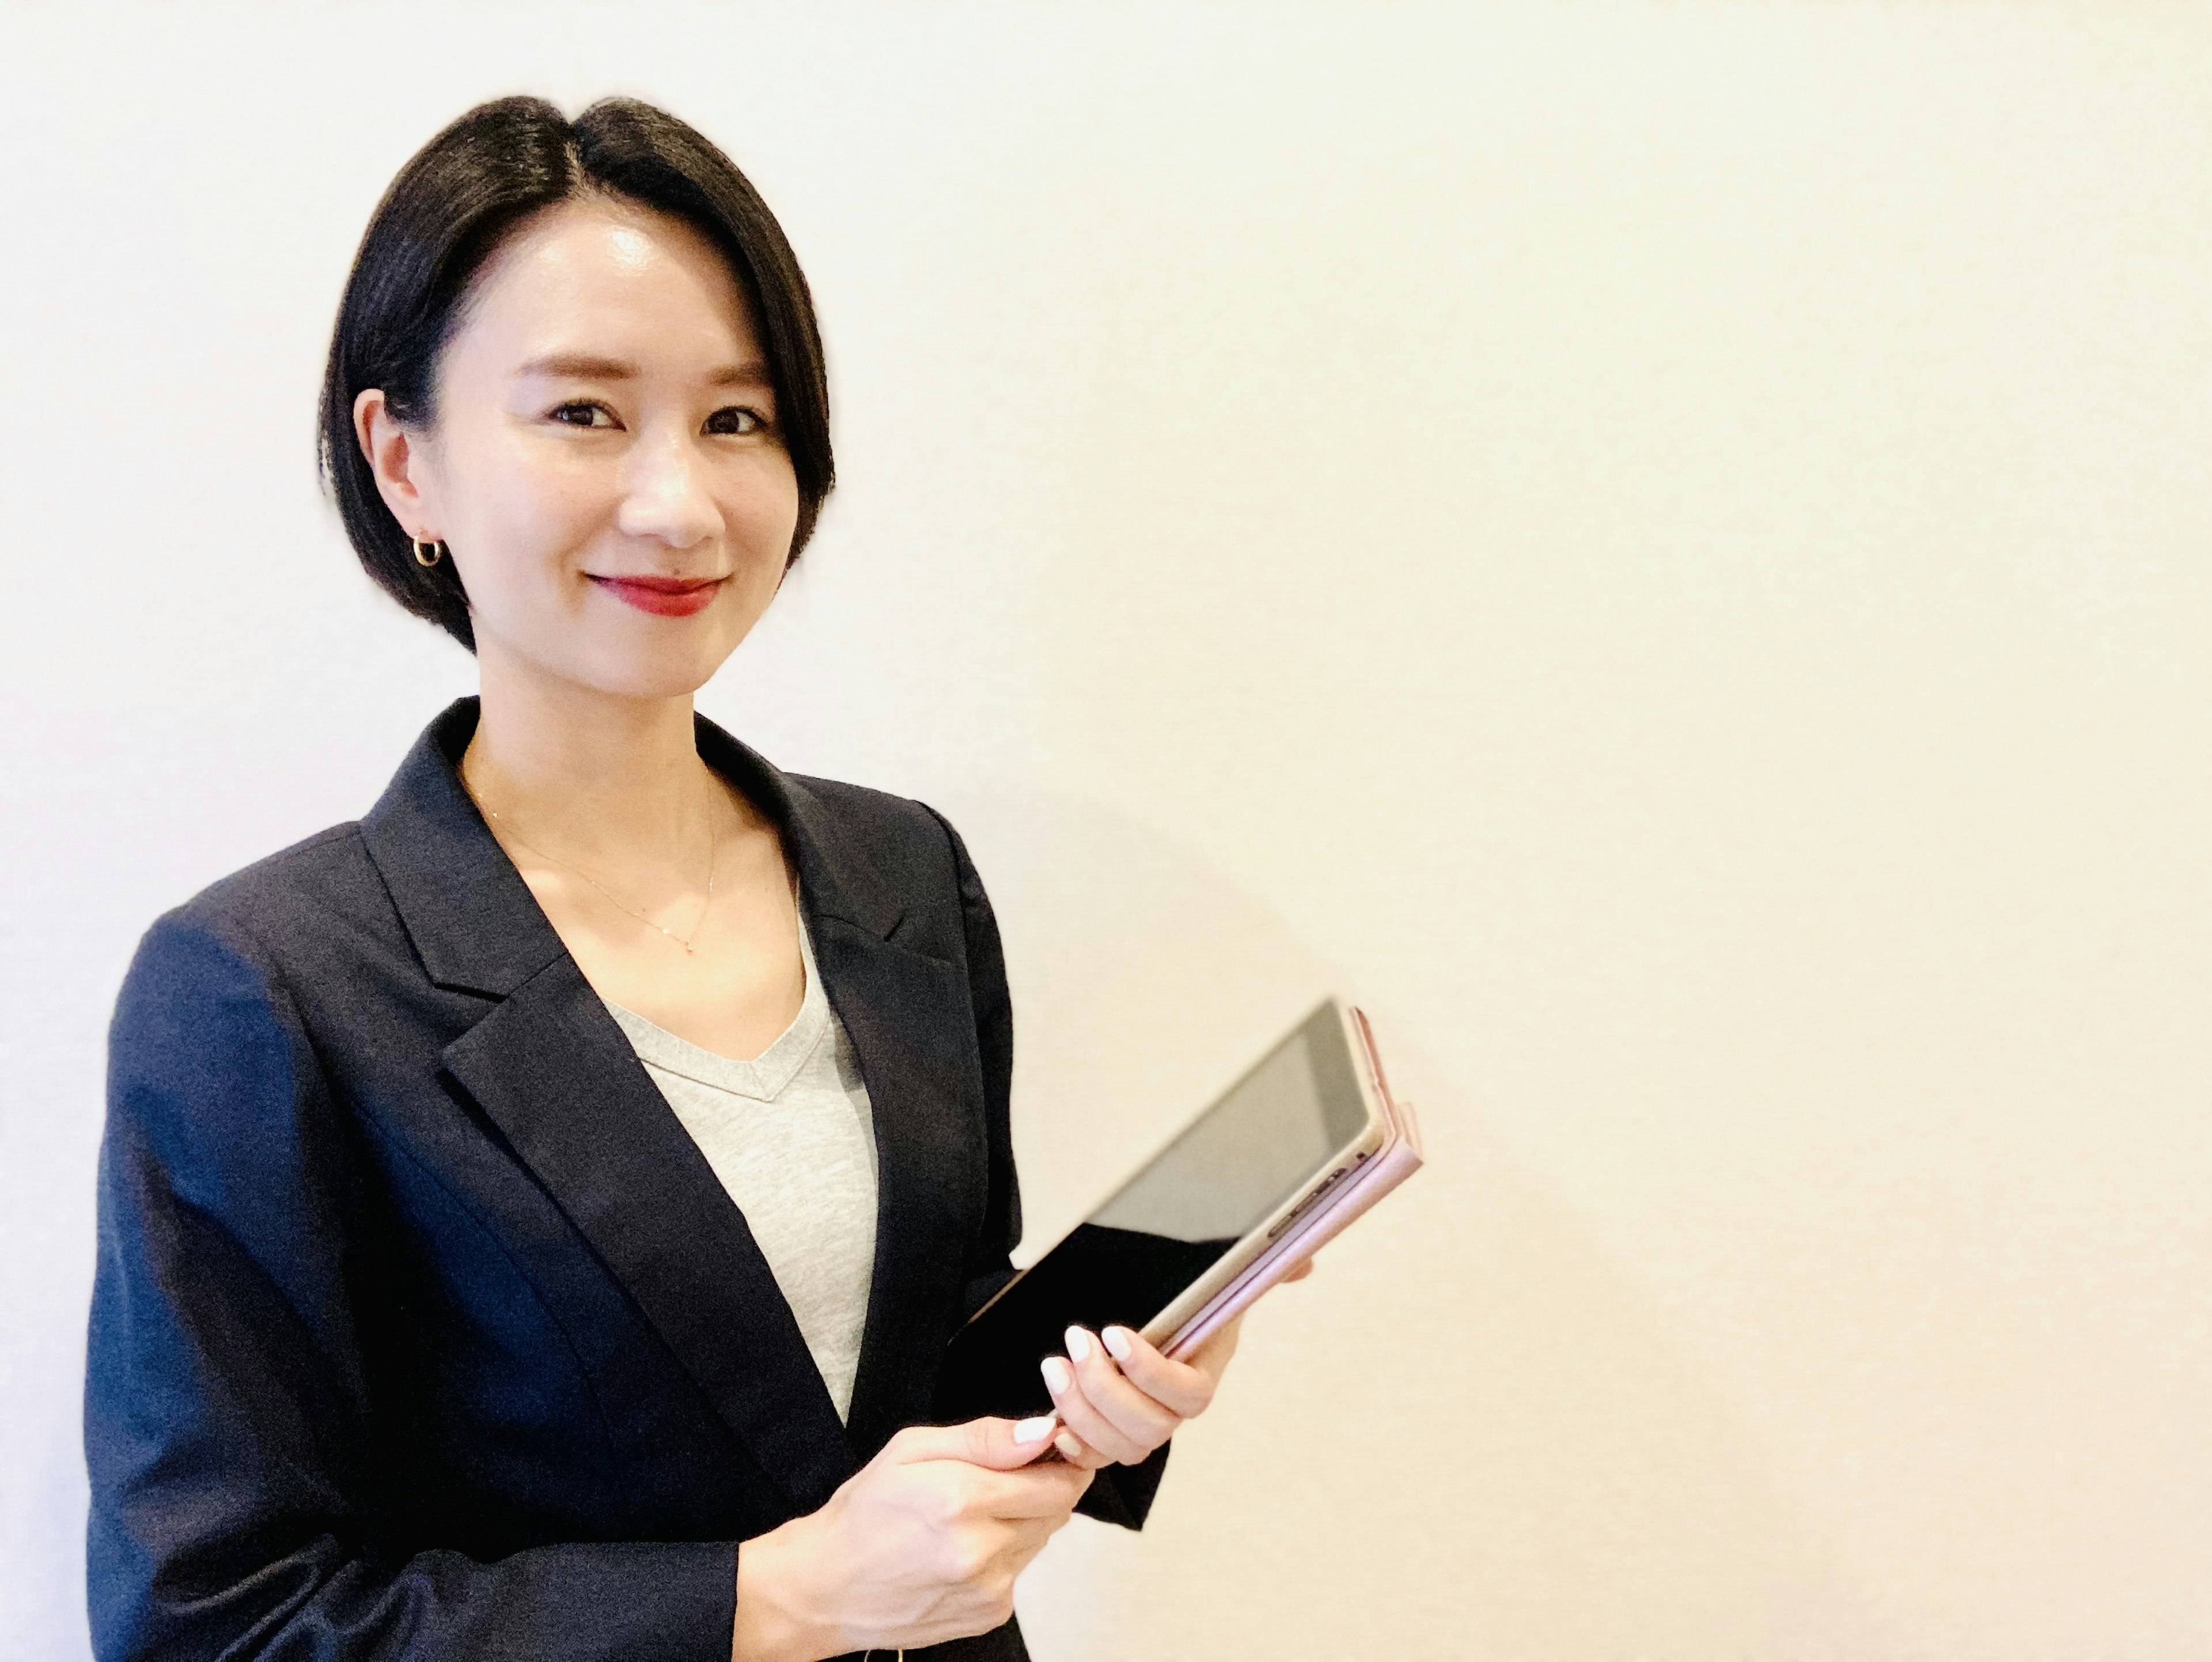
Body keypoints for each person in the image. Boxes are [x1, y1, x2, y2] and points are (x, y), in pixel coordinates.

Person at [82, 94, 1310, 1662]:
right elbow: (211, 1623)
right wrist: (772, 1600)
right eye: (585, 414)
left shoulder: (900, 871)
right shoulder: (263, 987)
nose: (680, 503)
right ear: (406, 462)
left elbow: (894, 1371)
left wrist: (1094, 1396)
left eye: (739, 419)